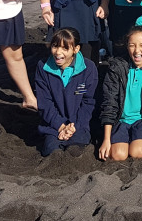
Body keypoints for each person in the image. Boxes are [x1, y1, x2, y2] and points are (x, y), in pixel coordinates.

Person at [98, 26, 142, 160]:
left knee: (138, 152)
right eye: (132, 45)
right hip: (120, 120)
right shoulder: (117, 68)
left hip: (141, 121)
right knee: (118, 155)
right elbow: (109, 102)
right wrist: (106, 139)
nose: (137, 51)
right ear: (127, 46)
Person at [35, 27, 97, 156]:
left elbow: (89, 102)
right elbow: (44, 103)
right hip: (53, 125)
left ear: (76, 49)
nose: (58, 52)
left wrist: (74, 126)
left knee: (76, 151)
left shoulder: (89, 68)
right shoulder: (43, 67)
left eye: (65, 48)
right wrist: (60, 126)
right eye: (55, 46)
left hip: (79, 124)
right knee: (52, 151)